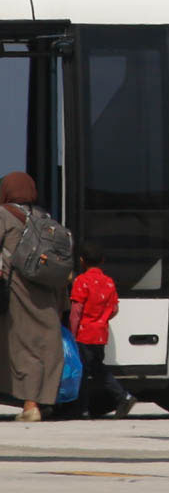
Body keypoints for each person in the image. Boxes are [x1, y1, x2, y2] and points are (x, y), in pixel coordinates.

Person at [0, 172, 65, 422]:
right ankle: (40, 400)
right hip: (47, 291)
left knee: (20, 346)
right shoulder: (43, 217)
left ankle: (29, 406)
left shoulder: (3, 215)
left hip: (16, 288)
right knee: (46, 345)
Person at [68, 241, 135, 418]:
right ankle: (88, 407)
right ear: (102, 260)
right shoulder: (108, 282)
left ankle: (84, 408)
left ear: (82, 260)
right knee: (94, 368)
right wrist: (102, 320)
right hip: (100, 334)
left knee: (84, 370)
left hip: (84, 333)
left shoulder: (81, 281)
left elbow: (76, 310)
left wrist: (72, 333)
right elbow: (114, 309)